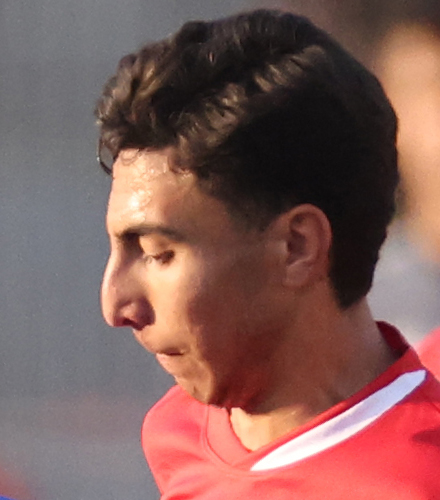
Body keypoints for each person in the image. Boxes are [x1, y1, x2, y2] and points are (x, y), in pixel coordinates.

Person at [95, 10, 440, 499]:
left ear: (297, 247)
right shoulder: (175, 431)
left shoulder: (418, 478)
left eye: (158, 253)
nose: (115, 305)